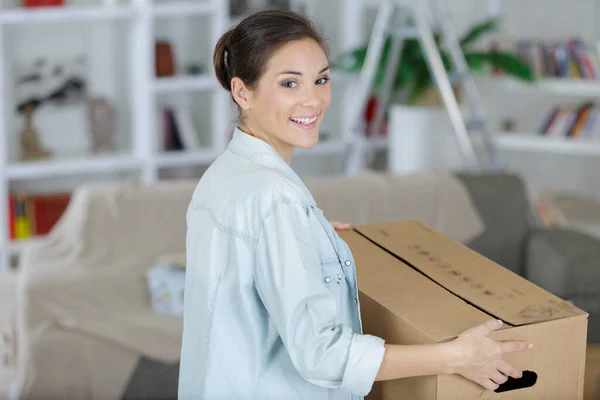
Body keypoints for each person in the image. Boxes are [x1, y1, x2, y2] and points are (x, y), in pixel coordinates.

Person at [178, 9, 532, 400]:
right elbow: (320, 354)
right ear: (242, 92)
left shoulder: (223, 175)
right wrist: (455, 356)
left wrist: (308, 239)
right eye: (290, 83)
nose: (312, 99)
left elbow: (240, 270)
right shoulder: (275, 199)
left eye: (321, 79)